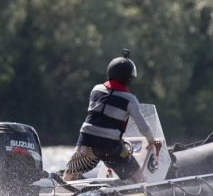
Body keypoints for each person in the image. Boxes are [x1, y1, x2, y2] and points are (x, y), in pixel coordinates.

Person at [63, 49, 161, 183]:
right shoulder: (130, 99)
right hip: (111, 146)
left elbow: (101, 118)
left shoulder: (96, 89)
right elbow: (143, 127)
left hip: (86, 142)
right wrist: (151, 141)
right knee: (139, 176)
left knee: (69, 175)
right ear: (129, 78)